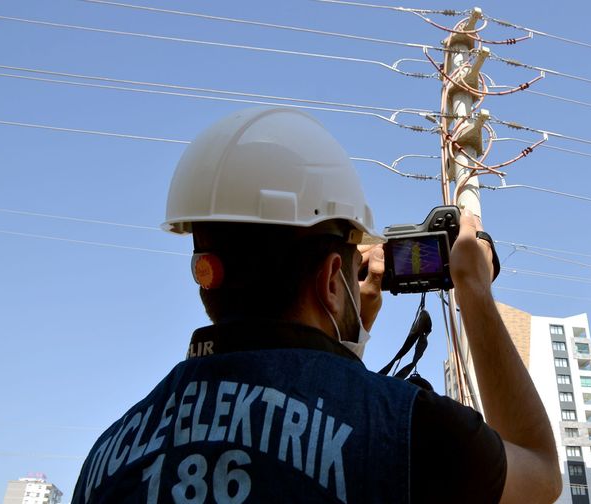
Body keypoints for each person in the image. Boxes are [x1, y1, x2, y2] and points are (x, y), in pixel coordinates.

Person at [72, 108, 560, 503]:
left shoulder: (107, 457)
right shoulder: (409, 431)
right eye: (350, 269)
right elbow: (540, 473)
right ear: (331, 279)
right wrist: (473, 289)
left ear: (206, 273)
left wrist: (347, 347)